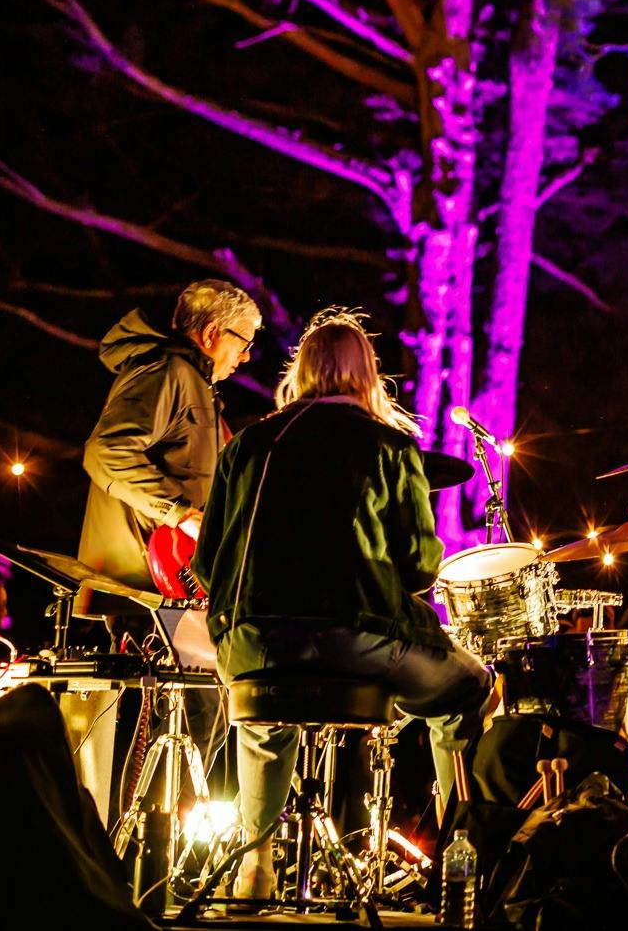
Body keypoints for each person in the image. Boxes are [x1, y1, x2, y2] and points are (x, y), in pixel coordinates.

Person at [193, 309, 490, 899]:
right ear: (368, 375)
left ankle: (255, 867)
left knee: (266, 707)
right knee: (468, 689)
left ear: (301, 372)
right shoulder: (389, 446)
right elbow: (419, 568)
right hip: (353, 636)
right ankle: (461, 863)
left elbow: (206, 563)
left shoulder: (248, 445)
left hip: (248, 641)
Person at [77, 280, 261, 624]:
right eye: (244, 342)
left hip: (169, 587)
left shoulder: (195, 385)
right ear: (211, 333)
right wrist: (180, 513)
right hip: (143, 587)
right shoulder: (167, 372)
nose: (246, 356)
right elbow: (106, 451)